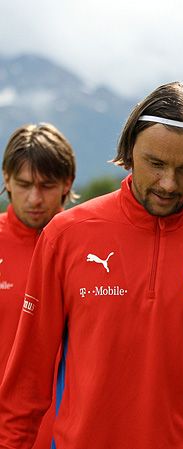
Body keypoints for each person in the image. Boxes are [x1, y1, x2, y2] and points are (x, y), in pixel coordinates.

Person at [0, 82, 183, 449]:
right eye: (155, 163)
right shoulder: (67, 236)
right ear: (130, 149)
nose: (168, 183)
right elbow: (28, 377)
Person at [0, 123, 76, 449]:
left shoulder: (87, 247)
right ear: (6, 179)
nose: (34, 198)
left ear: (67, 184)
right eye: (23, 184)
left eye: (46, 185)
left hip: (69, 433)